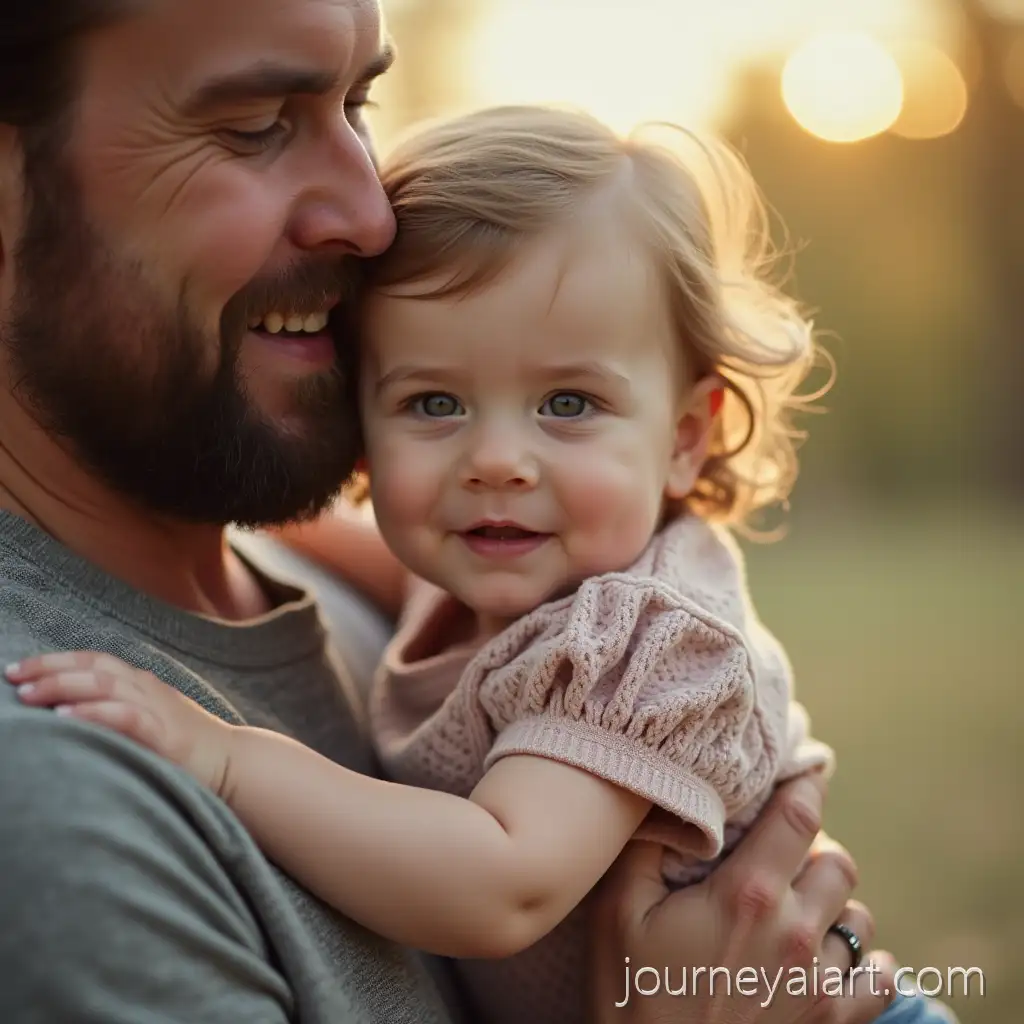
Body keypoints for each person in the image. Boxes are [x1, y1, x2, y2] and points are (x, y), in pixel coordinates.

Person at [3, 84, 953, 1024]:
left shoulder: (644, 637)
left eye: (569, 404)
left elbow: (504, 881)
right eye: (435, 403)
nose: (497, 461)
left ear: (685, 435)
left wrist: (224, 759)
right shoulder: (490, 577)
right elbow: (351, 551)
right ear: (362, 425)